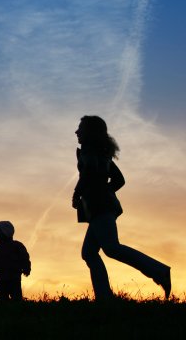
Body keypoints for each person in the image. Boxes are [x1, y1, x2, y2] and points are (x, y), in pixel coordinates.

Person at [72, 115, 171, 300]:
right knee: (89, 252)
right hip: (103, 206)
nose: (77, 132)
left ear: (90, 132)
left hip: (100, 207)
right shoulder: (101, 152)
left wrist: (79, 192)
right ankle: (104, 296)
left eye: (81, 128)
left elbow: (89, 172)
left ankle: (159, 271)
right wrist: (104, 191)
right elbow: (119, 180)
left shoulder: (89, 151)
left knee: (111, 248)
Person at [0, 221, 31, 301]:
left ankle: (16, 311)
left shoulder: (17, 246)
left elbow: (24, 258)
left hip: (15, 278)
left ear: (5, 232)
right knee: (3, 297)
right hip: (2, 278)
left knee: (16, 297)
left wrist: (26, 268)